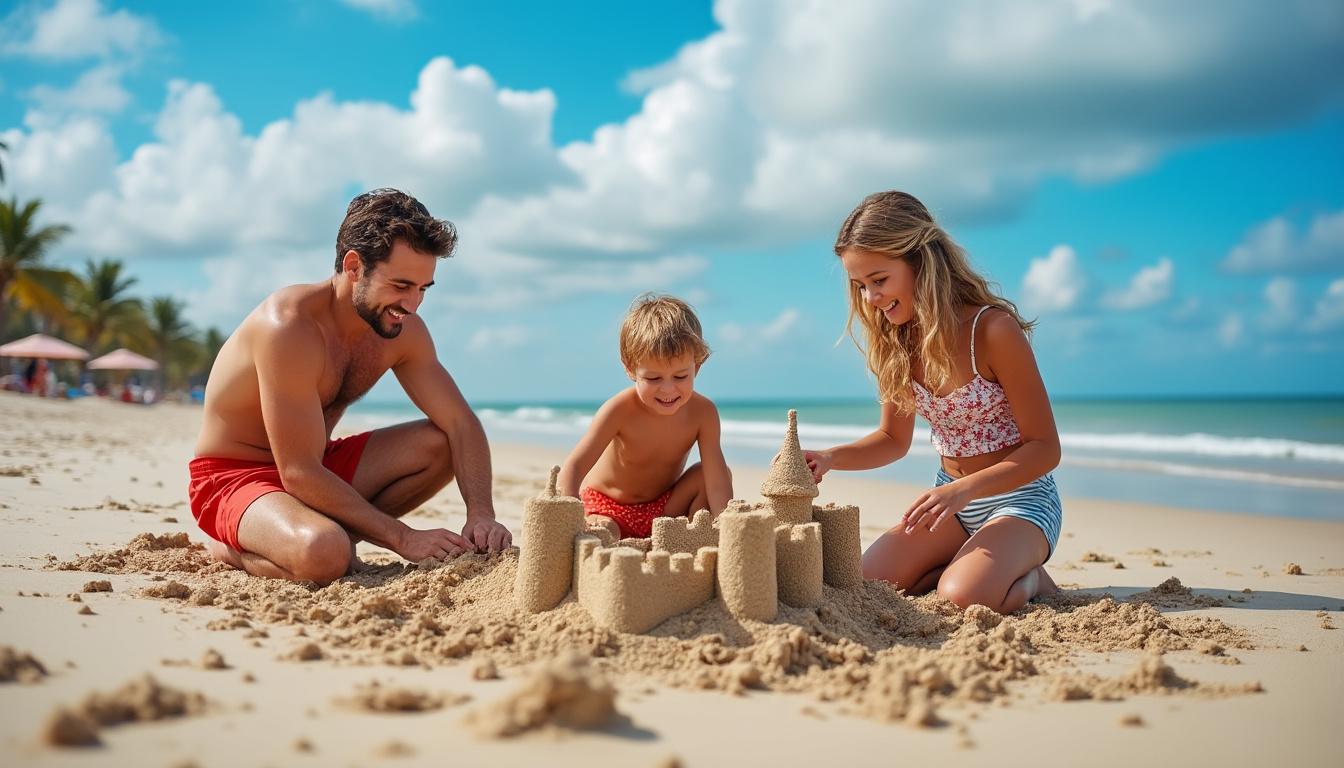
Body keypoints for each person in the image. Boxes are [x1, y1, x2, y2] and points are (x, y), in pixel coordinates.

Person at [189, 188, 511, 584]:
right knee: (324, 554)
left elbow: (461, 423)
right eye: (401, 285)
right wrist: (402, 537)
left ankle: (319, 533)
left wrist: (481, 513)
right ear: (355, 266)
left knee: (443, 443)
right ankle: (236, 547)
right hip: (236, 478)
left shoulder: (401, 330)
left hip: (317, 466)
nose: (412, 304)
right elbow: (297, 472)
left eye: (423, 289)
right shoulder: (289, 327)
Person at [803, 191, 1062, 614]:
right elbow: (892, 439)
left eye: (879, 280)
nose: (870, 298)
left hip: (1021, 501)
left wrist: (963, 491)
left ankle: (1030, 577)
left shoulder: (993, 330)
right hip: (951, 505)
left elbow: (1045, 449)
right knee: (866, 583)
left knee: (961, 597)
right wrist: (830, 457)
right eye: (860, 285)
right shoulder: (896, 341)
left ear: (920, 261)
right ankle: (971, 563)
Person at [558, 294, 733, 538]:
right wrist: (569, 517)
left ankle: (695, 537)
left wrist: (728, 526)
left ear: (697, 366)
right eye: (653, 378)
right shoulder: (619, 410)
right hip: (608, 508)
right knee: (605, 531)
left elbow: (716, 481)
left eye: (681, 377)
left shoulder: (703, 413)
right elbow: (574, 466)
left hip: (662, 510)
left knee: (716, 472)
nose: (668, 389)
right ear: (630, 368)